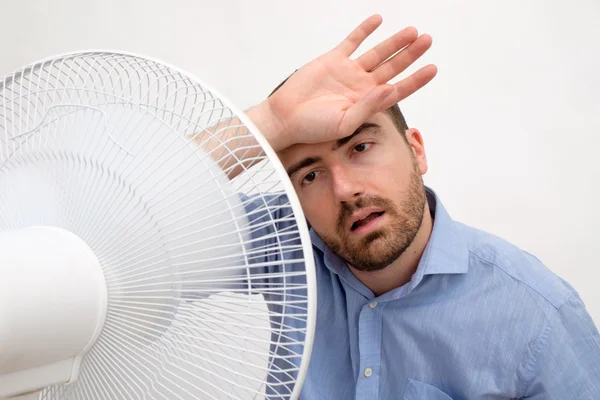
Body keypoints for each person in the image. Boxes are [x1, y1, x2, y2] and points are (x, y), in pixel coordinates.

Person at [202, 14, 600, 399]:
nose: (344, 189)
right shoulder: (282, 244)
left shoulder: (539, 314)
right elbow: (141, 226)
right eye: (310, 176)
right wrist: (269, 122)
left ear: (416, 150)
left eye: (360, 148)